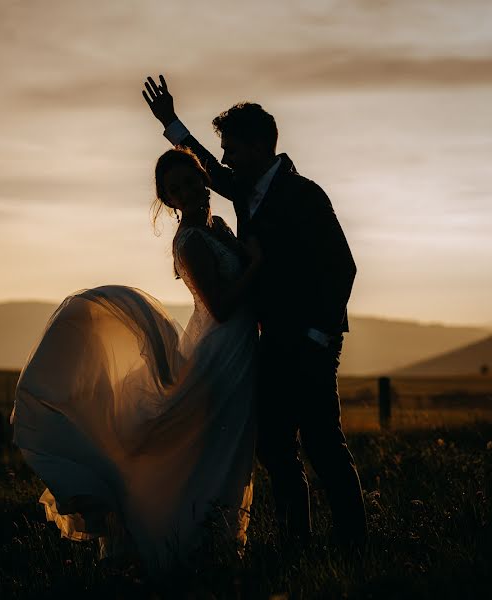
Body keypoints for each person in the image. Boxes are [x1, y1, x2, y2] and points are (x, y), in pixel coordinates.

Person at [10, 148, 262, 569]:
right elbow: (219, 306)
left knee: (231, 452)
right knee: (218, 451)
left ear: (205, 180)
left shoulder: (217, 227)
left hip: (240, 350)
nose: (188, 191)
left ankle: (217, 549)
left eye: (191, 181)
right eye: (175, 190)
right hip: (221, 353)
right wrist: (256, 266)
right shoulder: (191, 242)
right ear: (169, 201)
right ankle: (188, 548)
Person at [142, 75, 366, 546]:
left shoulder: (306, 195)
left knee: (323, 445)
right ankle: (296, 545)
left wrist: (320, 335)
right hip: (269, 343)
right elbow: (209, 174)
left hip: (310, 343)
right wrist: (171, 124)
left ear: (260, 146)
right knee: (276, 449)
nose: (224, 159)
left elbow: (342, 268)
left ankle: (353, 546)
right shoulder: (245, 191)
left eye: (232, 149)